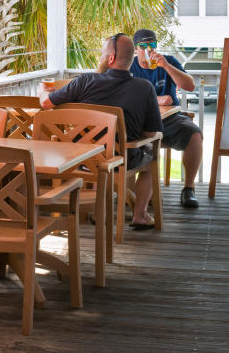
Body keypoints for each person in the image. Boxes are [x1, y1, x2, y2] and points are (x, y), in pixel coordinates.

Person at [39, 34, 163, 230]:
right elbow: (150, 133)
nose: (101, 56)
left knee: (100, 152)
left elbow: (46, 103)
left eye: (103, 53)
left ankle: (99, 212)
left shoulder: (84, 82)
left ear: (111, 58)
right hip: (123, 158)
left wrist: (42, 91)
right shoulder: (145, 88)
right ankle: (140, 215)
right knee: (151, 155)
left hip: (82, 158)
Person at [127, 28, 205, 209]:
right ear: (135, 49)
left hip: (170, 118)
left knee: (195, 135)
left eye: (152, 45)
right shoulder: (130, 67)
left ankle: (188, 188)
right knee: (138, 144)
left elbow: (190, 85)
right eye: (143, 46)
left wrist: (167, 67)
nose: (148, 50)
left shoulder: (168, 61)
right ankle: (141, 197)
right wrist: (157, 98)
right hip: (140, 121)